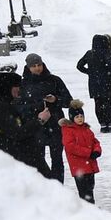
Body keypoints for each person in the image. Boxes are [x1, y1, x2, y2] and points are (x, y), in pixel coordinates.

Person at [21, 54, 74, 184]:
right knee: (38, 160)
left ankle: (58, 186)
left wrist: (56, 99)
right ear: (28, 67)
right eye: (34, 66)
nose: (37, 68)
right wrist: (36, 107)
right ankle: (43, 187)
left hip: (55, 124)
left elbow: (68, 101)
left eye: (39, 65)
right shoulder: (23, 84)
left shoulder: (54, 80)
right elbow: (20, 106)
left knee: (57, 159)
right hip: (35, 126)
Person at [0, 70, 44, 171]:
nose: (19, 90)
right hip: (20, 161)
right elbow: (16, 133)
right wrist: (39, 120)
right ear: (7, 87)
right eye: (17, 87)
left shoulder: (0, 102)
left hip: (20, 160)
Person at [75, 34, 111, 133]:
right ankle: (110, 123)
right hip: (106, 83)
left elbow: (79, 66)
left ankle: (102, 124)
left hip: (94, 84)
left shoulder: (89, 53)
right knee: (107, 104)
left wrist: (89, 72)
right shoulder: (105, 53)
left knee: (98, 104)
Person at [60, 101, 102, 203]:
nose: (80, 118)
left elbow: (95, 141)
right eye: (77, 117)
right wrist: (88, 152)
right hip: (78, 166)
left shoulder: (86, 129)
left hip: (90, 164)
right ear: (71, 118)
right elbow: (70, 146)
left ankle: (90, 207)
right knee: (84, 190)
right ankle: (89, 208)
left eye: (81, 116)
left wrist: (96, 151)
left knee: (90, 187)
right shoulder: (68, 130)